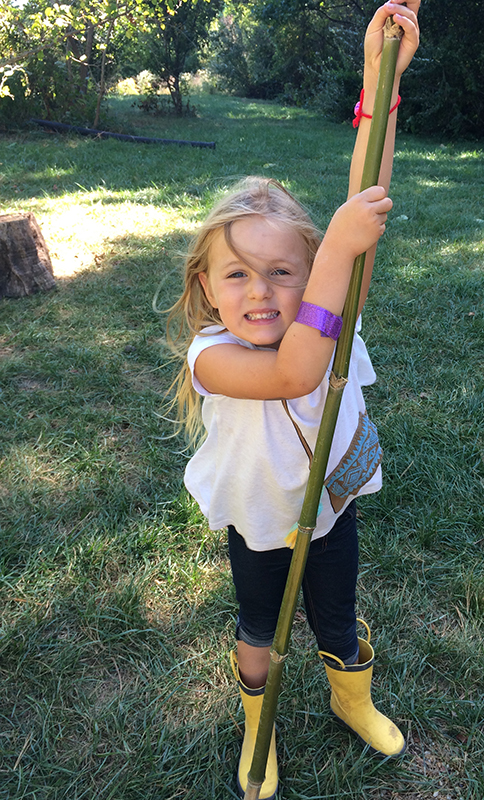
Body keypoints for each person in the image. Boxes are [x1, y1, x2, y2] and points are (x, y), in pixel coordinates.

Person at [166, 4, 420, 797]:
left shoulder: (328, 316)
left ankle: (354, 700)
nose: (263, 290)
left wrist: (382, 86)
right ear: (206, 287)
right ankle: (258, 724)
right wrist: (333, 250)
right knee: (259, 630)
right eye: (237, 273)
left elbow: (362, 210)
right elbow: (293, 375)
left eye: (285, 272)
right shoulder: (213, 356)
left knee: (338, 619)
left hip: (331, 508)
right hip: (261, 518)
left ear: (310, 279)